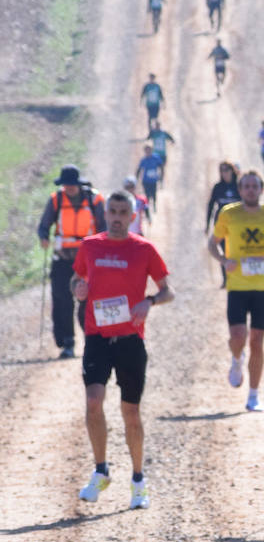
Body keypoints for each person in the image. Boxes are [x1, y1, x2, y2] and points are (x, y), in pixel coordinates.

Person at [71, 190, 174, 510]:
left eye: (122, 212)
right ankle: (101, 470)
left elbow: (168, 290)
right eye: (112, 211)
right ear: (106, 215)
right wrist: (78, 289)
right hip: (98, 338)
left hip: (130, 340)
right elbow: (76, 280)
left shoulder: (143, 249)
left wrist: (150, 301)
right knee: (93, 401)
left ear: (132, 216)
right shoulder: (90, 246)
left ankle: (138, 480)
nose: (116, 217)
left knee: (131, 412)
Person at [208, 170, 264, 412]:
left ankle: (253, 395)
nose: (250, 190)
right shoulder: (229, 214)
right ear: (240, 190)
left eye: (255, 186)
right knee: (238, 336)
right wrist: (223, 260)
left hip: (263, 286)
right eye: (246, 186)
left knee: (257, 340)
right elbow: (212, 243)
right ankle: (236, 359)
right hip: (238, 285)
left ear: (261, 189)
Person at [37, 165, 106, 358]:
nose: (68, 188)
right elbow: (44, 225)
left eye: (71, 185)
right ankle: (67, 341)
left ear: (78, 184)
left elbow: (104, 227)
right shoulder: (56, 199)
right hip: (63, 259)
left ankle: (93, 340)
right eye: (65, 185)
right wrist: (43, 237)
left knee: (88, 301)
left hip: (88, 261)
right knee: (62, 301)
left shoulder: (95, 200)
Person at [205, 160, 240, 287]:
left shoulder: (239, 186)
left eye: (227, 170)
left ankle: (237, 277)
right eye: (222, 171)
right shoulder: (218, 187)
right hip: (222, 226)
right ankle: (226, 279)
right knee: (224, 252)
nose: (224, 173)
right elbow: (210, 205)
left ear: (232, 171)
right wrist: (207, 224)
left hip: (238, 226)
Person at [146, 119, 175, 184]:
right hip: (155, 154)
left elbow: (170, 137)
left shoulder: (163, 133)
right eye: (156, 126)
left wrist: (172, 141)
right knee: (155, 167)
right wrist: (151, 132)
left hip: (162, 154)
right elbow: (148, 138)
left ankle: (161, 180)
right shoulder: (154, 133)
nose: (157, 127)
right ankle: (156, 179)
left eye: (158, 126)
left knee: (162, 167)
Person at [136, 145, 164, 211]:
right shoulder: (143, 160)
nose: (148, 152)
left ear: (151, 150)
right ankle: (147, 209)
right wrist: (136, 179)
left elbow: (161, 166)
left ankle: (154, 205)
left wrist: (161, 176)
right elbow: (139, 169)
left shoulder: (156, 158)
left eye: (149, 150)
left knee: (154, 193)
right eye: (146, 151)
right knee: (147, 195)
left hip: (153, 180)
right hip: (145, 180)